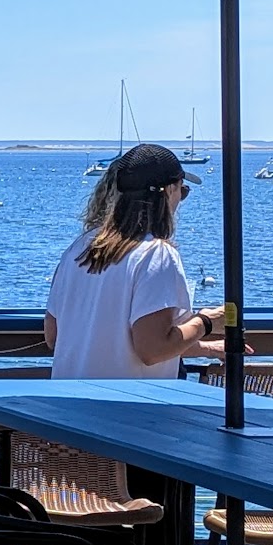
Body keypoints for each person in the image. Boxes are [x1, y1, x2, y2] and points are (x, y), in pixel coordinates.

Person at [44, 142, 225, 379]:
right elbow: (153, 349)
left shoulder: (79, 249)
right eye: (183, 191)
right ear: (169, 191)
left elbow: (53, 336)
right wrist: (206, 322)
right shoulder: (155, 255)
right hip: (129, 400)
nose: (181, 201)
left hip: (69, 399)